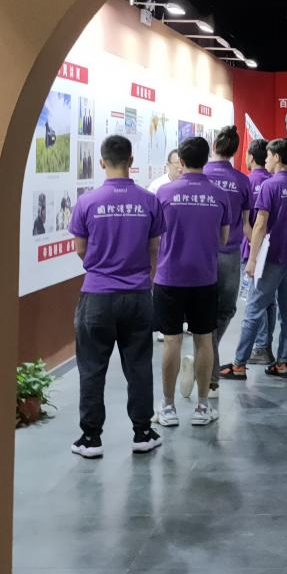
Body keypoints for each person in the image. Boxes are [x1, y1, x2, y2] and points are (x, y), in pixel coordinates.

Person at [67, 135, 163, 459]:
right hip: (137, 294)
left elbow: (80, 249)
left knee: (92, 368)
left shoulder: (87, 202)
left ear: (101, 161)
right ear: (131, 160)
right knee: (139, 365)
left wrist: (101, 268)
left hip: (97, 295)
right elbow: (154, 249)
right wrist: (142, 277)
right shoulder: (149, 201)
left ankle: (90, 438)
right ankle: (143, 433)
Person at [153, 136, 231, 428]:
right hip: (204, 277)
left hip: (169, 277)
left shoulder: (164, 193)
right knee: (203, 340)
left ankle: (168, 407)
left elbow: (154, 238)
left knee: (171, 341)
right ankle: (202, 406)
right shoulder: (219, 194)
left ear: (182, 161)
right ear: (206, 160)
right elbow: (223, 239)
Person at [223, 138, 287, 379]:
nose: (267, 160)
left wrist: (252, 259)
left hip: (271, 258)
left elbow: (260, 225)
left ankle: (239, 364)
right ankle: (283, 363)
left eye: (270, 156)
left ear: (278, 158)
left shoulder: (270, 186)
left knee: (253, 309)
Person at [203, 125, 253, 396]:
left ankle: (206, 353)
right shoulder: (242, 181)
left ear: (214, 145)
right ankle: (209, 365)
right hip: (231, 253)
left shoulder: (201, 174)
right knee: (225, 309)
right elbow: (246, 224)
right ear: (235, 151)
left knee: (205, 313)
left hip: (202, 252)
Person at [242, 138, 275, 364]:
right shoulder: (272, 181)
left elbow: (246, 222)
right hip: (271, 249)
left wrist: (255, 247)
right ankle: (266, 345)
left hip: (254, 250)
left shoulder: (247, 182)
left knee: (255, 300)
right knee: (269, 301)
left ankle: (261, 347)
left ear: (251, 157)